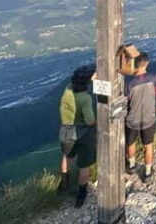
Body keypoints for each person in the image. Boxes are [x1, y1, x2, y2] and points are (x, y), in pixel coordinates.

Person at [58, 64, 96, 208]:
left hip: (66, 128)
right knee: (84, 164)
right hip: (82, 132)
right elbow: (90, 121)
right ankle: (81, 192)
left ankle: (64, 183)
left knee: (67, 156)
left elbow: (77, 81)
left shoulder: (67, 89)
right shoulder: (85, 98)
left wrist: (87, 76)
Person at [124, 52, 156, 182]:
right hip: (149, 117)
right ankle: (147, 172)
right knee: (149, 144)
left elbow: (126, 102)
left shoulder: (129, 84)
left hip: (132, 119)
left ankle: (131, 166)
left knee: (131, 142)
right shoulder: (155, 78)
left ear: (134, 64)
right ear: (147, 63)